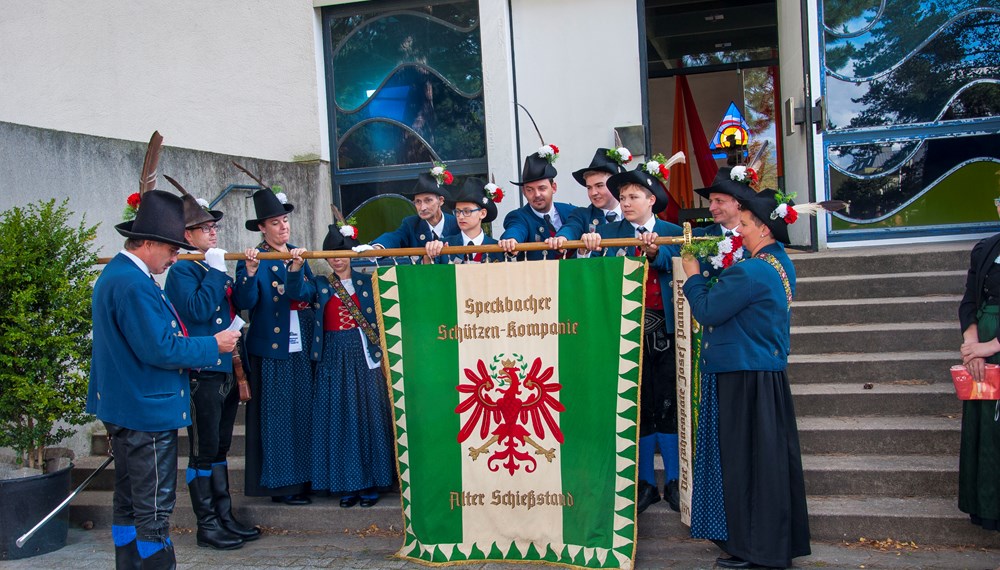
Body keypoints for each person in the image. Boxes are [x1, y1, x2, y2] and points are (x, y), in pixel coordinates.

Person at [87, 189, 241, 569]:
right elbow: (160, 348)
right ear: (150, 243)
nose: (175, 258)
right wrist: (214, 345)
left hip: (129, 406)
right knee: (153, 514)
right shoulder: (131, 282)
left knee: (129, 503)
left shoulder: (122, 275)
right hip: (146, 411)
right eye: (172, 249)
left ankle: (128, 564)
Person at [681, 188, 809, 569]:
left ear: (766, 230)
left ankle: (755, 550)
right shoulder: (780, 264)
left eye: (747, 224)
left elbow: (707, 310)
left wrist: (692, 277)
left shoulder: (751, 270)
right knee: (762, 465)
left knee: (744, 466)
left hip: (743, 377)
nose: (741, 230)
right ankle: (762, 545)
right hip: (761, 374)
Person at [579, 163, 683, 514]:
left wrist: (657, 252)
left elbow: (681, 264)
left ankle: (674, 480)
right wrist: (589, 247)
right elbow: (594, 274)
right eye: (621, 197)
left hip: (667, 333)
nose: (625, 202)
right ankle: (643, 484)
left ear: (651, 199)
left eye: (633, 196)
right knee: (636, 406)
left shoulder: (673, 231)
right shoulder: (608, 234)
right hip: (626, 332)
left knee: (667, 406)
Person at [163, 185, 260, 550]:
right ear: (187, 236)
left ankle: (224, 517)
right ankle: (207, 525)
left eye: (214, 227)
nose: (214, 232)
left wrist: (247, 272)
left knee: (219, 448)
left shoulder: (210, 265)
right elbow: (199, 311)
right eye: (206, 229)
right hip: (202, 371)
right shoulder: (183, 272)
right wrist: (216, 273)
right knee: (202, 450)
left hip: (226, 368)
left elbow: (244, 304)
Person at [286, 224, 396, 508]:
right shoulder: (321, 284)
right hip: (333, 354)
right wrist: (296, 267)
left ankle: (372, 482)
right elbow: (296, 292)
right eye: (332, 255)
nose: (338, 259)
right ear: (326, 258)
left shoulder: (367, 281)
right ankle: (346, 484)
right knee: (339, 418)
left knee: (368, 416)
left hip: (363, 353)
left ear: (351, 254)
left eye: (343, 253)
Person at [234, 188, 315, 505]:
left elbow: (307, 295)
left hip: (301, 347)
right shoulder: (253, 260)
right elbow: (245, 302)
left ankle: (306, 477)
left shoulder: (298, 254)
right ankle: (283, 484)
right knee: (279, 419)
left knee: (303, 414)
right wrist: (251, 273)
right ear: (261, 228)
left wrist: (296, 271)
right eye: (275, 223)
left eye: (285, 220)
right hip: (272, 350)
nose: (283, 227)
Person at [957, 196, 1000, 533]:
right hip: (981, 355)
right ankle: (987, 508)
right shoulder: (985, 248)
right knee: (985, 432)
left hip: (995, 347)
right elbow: (971, 299)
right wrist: (972, 342)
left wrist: (993, 345)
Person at [353, 166, 458, 253]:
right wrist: (376, 248)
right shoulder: (411, 224)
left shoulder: (456, 223)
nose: (423, 207)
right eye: (418, 202)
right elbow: (395, 237)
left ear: (441, 201)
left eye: (428, 200)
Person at [498, 145, 577, 261]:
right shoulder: (519, 216)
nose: (537, 194)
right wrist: (511, 240)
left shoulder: (572, 212)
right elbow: (516, 228)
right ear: (524, 191)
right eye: (530, 190)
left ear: (553, 187)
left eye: (542, 188)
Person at [546, 147, 627, 250]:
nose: (593, 193)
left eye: (599, 185)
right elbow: (571, 228)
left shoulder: (632, 212)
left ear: (615, 185)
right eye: (589, 187)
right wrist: (561, 238)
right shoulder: (582, 215)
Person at [423, 177, 504, 264]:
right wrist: (429, 255)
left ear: (482, 214)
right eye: (457, 211)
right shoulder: (442, 245)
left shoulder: (497, 248)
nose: (460, 216)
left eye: (467, 211)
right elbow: (428, 274)